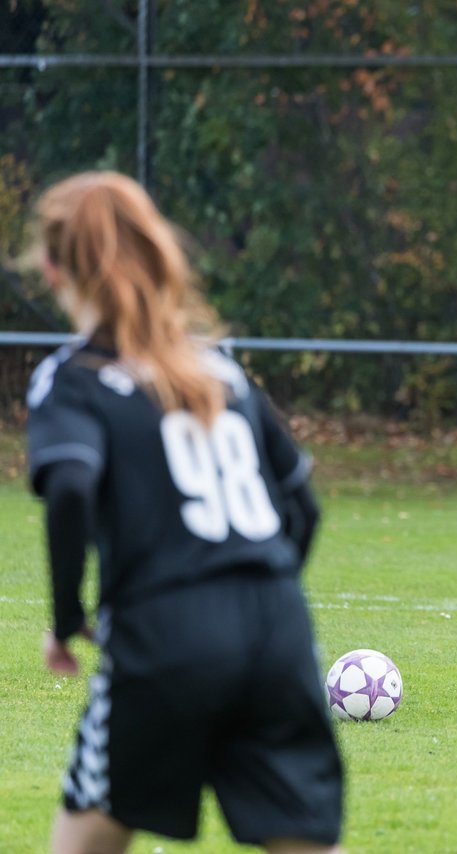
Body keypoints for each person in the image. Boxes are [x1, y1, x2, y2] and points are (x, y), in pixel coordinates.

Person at [25, 171, 345, 852]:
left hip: (165, 632)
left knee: (86, 834)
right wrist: (263, 595)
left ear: (53, 268)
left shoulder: (74, 377)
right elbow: (303, 507)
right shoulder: (219, 370)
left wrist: (66, 619)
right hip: (277, 628)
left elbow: (73, 488)